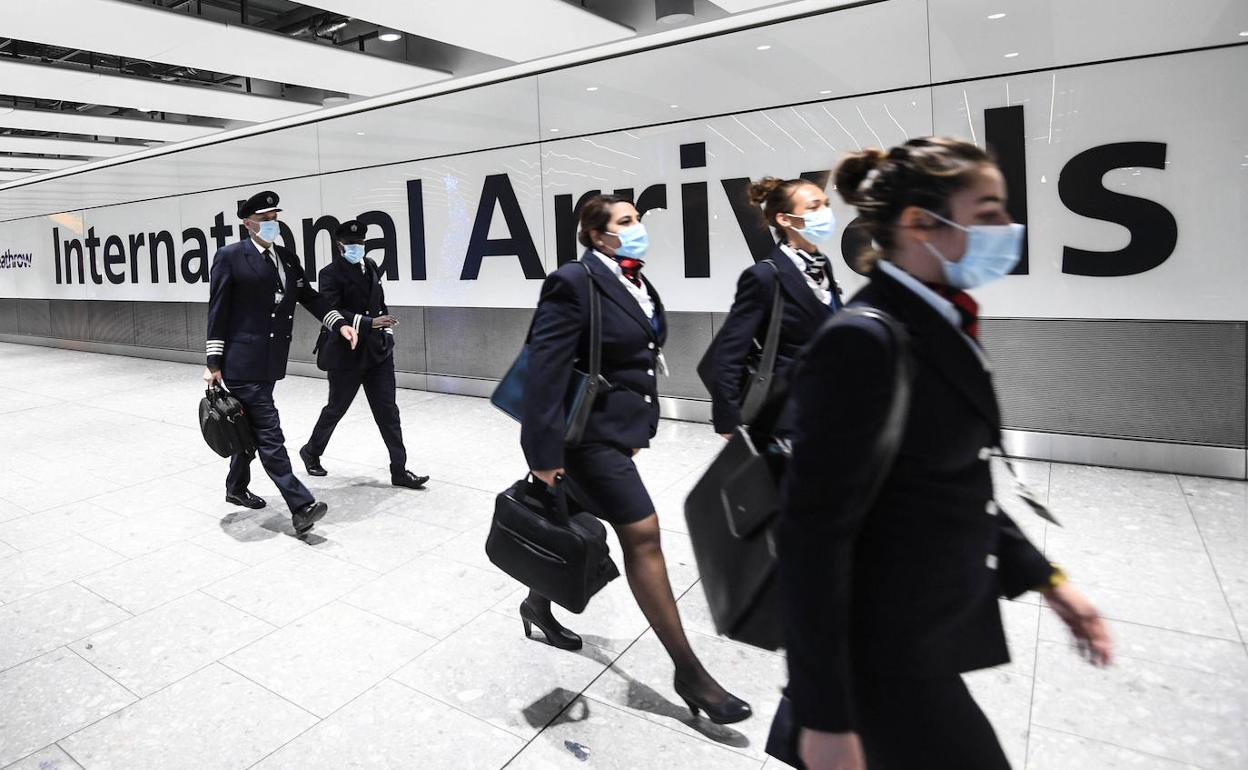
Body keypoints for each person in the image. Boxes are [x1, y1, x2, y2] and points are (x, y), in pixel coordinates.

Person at [778, 138, 1114, 770]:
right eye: (987, 212)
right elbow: (811, 537)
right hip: (878, 655)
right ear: (919, 224)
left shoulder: (937, 320)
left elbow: (949, 480)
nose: (1008, 228)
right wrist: (824, 718)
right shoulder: (864, 340)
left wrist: (1047, 580)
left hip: (919, 636)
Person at [520, 194, 751, 725]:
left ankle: (537, 603)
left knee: (564, 524)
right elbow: (544, 371)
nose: (638, 226)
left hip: (616, 432)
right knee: (642, 533)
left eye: (637, 218)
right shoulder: (573, 282)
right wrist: (542, 455)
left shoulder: (635, 279)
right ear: (598, 235)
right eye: (626, 221)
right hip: (585, 440)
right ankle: (689, 671)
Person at [202, 190, 358, 536]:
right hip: (242, 363)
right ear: (247, 223)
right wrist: (213, 361)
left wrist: (339, 322)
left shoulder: (286, 258)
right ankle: (300, 506)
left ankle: (235, 486)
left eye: (275, 217)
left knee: (251, 431)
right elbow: (218, 309)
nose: (272, 224)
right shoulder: (230, 257)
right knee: (270, 433)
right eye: (265, 219)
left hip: (270, 362)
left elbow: (310, 297)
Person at [299, 220, 429, 490]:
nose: (357, 248)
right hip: (346, 353)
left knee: (388, 412)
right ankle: (311, 451)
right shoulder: (329, 274)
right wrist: (370, 323)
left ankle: (399, 470)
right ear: (339, 246)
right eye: (351, 244)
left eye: (360, 243)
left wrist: (386, 334)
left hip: (378, 353)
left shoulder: (369, 266)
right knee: (336, 408)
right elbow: (330, 311)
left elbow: (378, 303)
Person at [709, 176, 841, 438]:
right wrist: (728, 419)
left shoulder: (822, 265)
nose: (825, 212)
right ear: (784, 219)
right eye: (814, 207)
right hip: (787, 411)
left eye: (826, 204)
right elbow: (729, 351)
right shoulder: (765, 276)